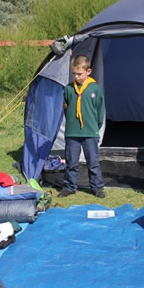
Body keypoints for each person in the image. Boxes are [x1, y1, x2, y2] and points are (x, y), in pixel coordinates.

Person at [58, 55, 106, 199]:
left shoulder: (94, 89)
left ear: (88, 71)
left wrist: (94, 127)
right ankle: (69, 186)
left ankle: (97, 187)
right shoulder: (68, 89)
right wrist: (73, 124)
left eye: (79, 74)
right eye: (74, 74)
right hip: (72, 132)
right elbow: (66, 108)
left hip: (90, 132)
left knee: (93, 162)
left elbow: (99, 111)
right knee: (71, 161)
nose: (76, 77)